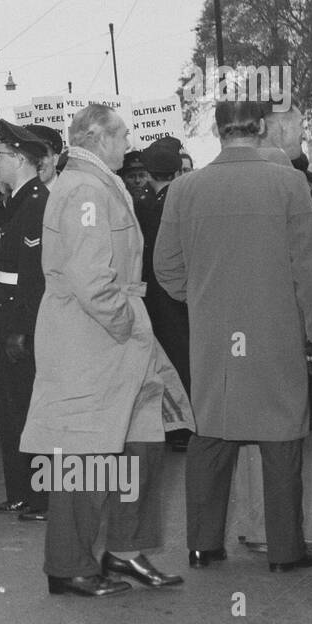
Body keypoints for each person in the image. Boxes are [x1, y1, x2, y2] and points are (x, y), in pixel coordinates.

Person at [155, 100, 312, 574]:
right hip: (276, 329)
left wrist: (202, 299)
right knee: (280, 438)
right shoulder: (289, 184)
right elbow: (310, 269)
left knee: (211, 434)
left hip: (215, 333)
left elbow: (165, 269)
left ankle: (202, 545)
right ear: (260, 130)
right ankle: (285, 550)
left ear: (217, 132)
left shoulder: (185, 190)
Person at [21, 104, 190, 597]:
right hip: (94, 338)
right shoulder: (85, 190)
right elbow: (92, 279)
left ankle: (126, 550)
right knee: (86, 452)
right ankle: (68, 564)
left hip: (114, 336)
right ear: (96, 137)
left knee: (141, 443)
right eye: (121, 138)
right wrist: (126, 327)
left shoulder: (93, 184)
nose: (127, 146)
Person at [0, 123, 51, 520]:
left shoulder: (37, 203)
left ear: (20, 160)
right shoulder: (18, 203)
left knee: (30, 412)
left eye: (0, 156)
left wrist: (22, 330)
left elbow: (34, 278)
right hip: (11, 323)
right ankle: (22, 492)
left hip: (24, 328)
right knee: (13, 414)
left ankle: (40, 497)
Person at [134, 135, 193, 451]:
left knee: (168, 357)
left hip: (154, 292)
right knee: (178, 353)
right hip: (175, 290)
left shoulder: (145, 202)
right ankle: (180, 422)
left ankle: (177, 424)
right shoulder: (183, 198)